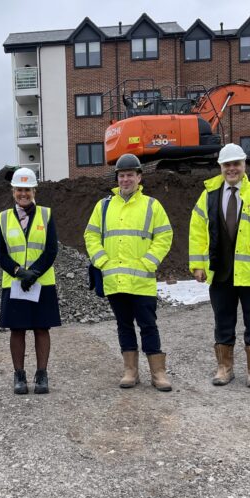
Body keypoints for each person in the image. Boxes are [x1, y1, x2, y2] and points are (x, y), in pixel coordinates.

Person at [189, 143, 250, 388]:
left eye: (236, 164)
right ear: (220, 167)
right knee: (223, 320)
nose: (231, 169)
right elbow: (197, 233)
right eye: (227, 165)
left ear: (245, 166)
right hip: (220, 272)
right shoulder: (208, 194)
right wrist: (197, 265)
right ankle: (224, 367)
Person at [84, 154, 173, 391]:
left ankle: (158, 373)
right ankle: (130, 371)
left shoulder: (152, 206)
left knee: (148, 325)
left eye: (130, 175)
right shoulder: (103, 206)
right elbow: (91, 235)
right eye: (121, 176)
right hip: (115, 279)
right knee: (124, 325)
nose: (125, 180)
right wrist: (101, 260)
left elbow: (165, 236)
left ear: (139, 177)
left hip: (142, 280)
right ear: (117, 178)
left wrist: (149, 262)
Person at [0, 168, 61, 394]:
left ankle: (42, 375)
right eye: (19, 190)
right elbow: (0, 253)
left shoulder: (46, 214)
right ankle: (19, 375)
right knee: (17, 330)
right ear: (13, 191)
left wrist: (34, 272)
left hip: (42, 282)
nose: (23, 194)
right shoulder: (3, 218)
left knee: (42, 329)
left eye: (27, 189)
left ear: (34, 190)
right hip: (14, 283)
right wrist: (19, 272)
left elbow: (51, 249)